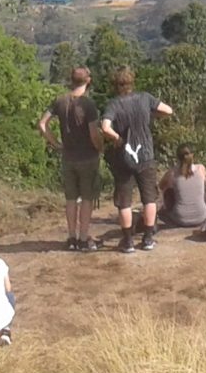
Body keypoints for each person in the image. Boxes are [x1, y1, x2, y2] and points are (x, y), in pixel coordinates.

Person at [98, 67, 173, 253]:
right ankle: (148, 238)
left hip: (124, 158)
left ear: (115, 85)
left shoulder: (114, 104)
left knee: (124, 201)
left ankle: (128, 241)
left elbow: (105, 127)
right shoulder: (145, 98)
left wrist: (116, 138)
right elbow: (168, 111)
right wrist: (151, 116)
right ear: (132, 82)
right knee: (149, 198)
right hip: (146, 155)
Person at [39, 66, 103, 251]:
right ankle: (84, 238)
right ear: (88, 80)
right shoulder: (88, 104)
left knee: (71, 199)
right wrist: (100, 147)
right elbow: (93, 133)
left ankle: (72, 238)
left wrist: (56, 144)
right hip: (88, 157)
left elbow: (42, 124)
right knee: (87, 198)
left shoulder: (60, 101)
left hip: (68, 157)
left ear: (71, 80)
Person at [158, 145, 206, 228]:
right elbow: (204, 183)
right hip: (202, 216)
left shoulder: (172, 173)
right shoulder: (201, 168)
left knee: (168, 191)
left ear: (178, 157)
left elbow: (161, 186)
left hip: (180, 219)